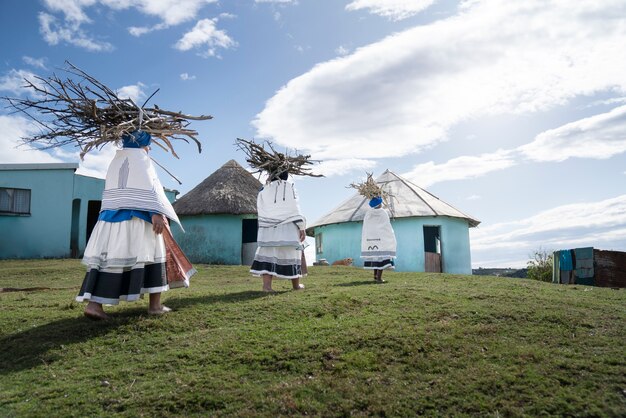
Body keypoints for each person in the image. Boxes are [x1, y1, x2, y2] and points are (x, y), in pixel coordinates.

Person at [76, 130, 190, 320]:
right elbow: (150, 186)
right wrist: (155, 213)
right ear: (142, 143)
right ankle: (155, 306)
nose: (150, 148)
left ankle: (94, 305)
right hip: (137, 220)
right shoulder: (141, 159)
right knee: (154, 256)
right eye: (148, 143)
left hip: (110, 221)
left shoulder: (116, 159)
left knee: (109, 260)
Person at [250, 171, 307, 292]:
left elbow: (260, 207)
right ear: (286, 176)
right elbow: (295, 208)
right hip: (288, 228)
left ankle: (267, 286)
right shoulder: (289, 187)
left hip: (269, 227)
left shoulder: (264, 189)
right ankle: (296, 286)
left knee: (268, 254)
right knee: (292, 253)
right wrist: (302, 227)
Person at [361, 196, 396, 282]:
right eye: (380, 203)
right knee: (381, 259)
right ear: (379, 204)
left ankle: (375, 276)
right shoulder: (383, 213)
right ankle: (379, 278)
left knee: (375, 258)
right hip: (382, 240)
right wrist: (390, 235)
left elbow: (366, 227)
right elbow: (386, 226)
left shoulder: (368, 214)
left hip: (372, 240)